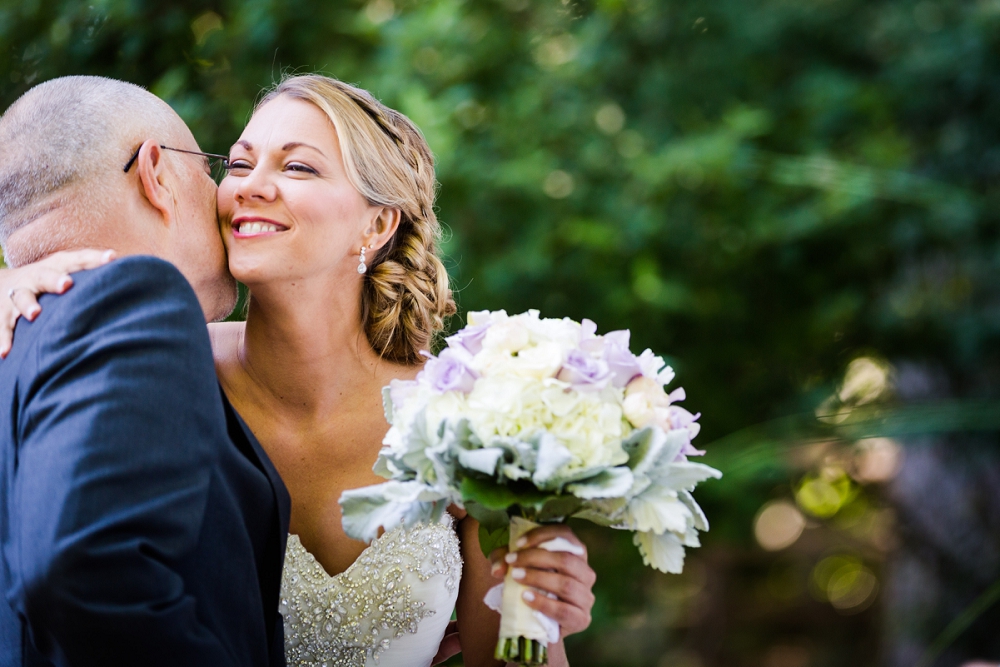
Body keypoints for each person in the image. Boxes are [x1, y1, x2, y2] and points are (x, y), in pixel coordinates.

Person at [1, 75, 597, 666]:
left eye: (299, 168)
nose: (248, 188)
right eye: (236, 165)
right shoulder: (147, 362)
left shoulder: (468, 414)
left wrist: (538, 605)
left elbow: (514, 652)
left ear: (377, 224)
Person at [0, 76, 290, 667]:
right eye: (210, 168)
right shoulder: (139, 301)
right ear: (156, 174)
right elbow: (82, 567)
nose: (221, 195)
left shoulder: (19, 343)